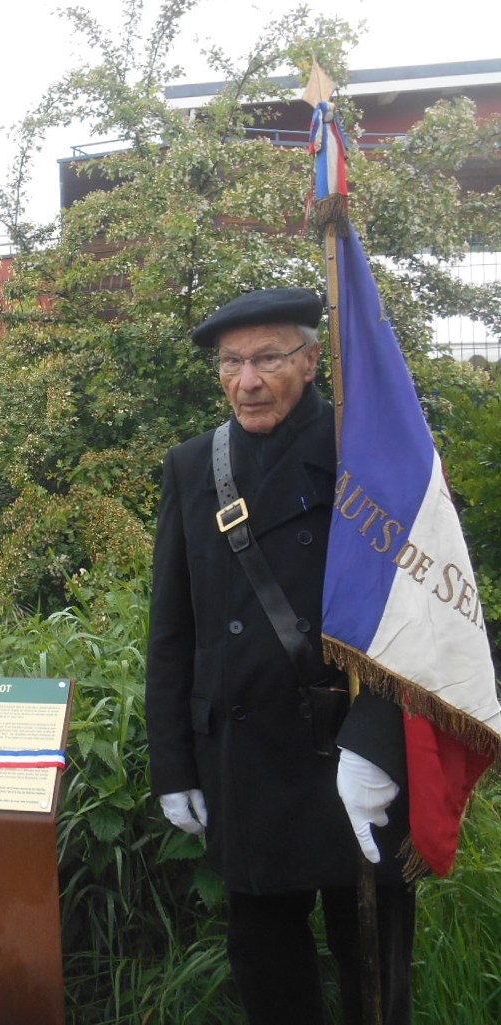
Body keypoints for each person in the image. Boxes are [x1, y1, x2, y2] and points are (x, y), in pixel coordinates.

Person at [145, 290, 415, 1025]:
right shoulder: (193, 465)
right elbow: (173, 629)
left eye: (267, 358)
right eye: (231, 363)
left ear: (311, 359)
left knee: (375, 975)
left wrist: (379, 746)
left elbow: (418, 618)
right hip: (245, 759)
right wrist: (173, 763)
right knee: (269, 974)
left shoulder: (371, 454)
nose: (247, 381)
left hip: (354, 755)